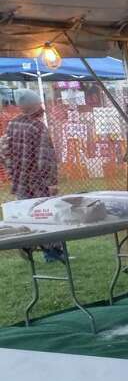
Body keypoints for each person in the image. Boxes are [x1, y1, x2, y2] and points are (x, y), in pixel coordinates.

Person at [1, 89, 63, 262]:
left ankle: (27, 244)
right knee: (47, 215)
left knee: (27, 215)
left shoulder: (12, 124)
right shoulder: (38, 127)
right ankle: (52, 252)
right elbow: (45, 157)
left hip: (20, 181)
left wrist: (13, 172)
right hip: (38, 182)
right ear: (36, 106)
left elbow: (5, 151)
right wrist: (51, 182)